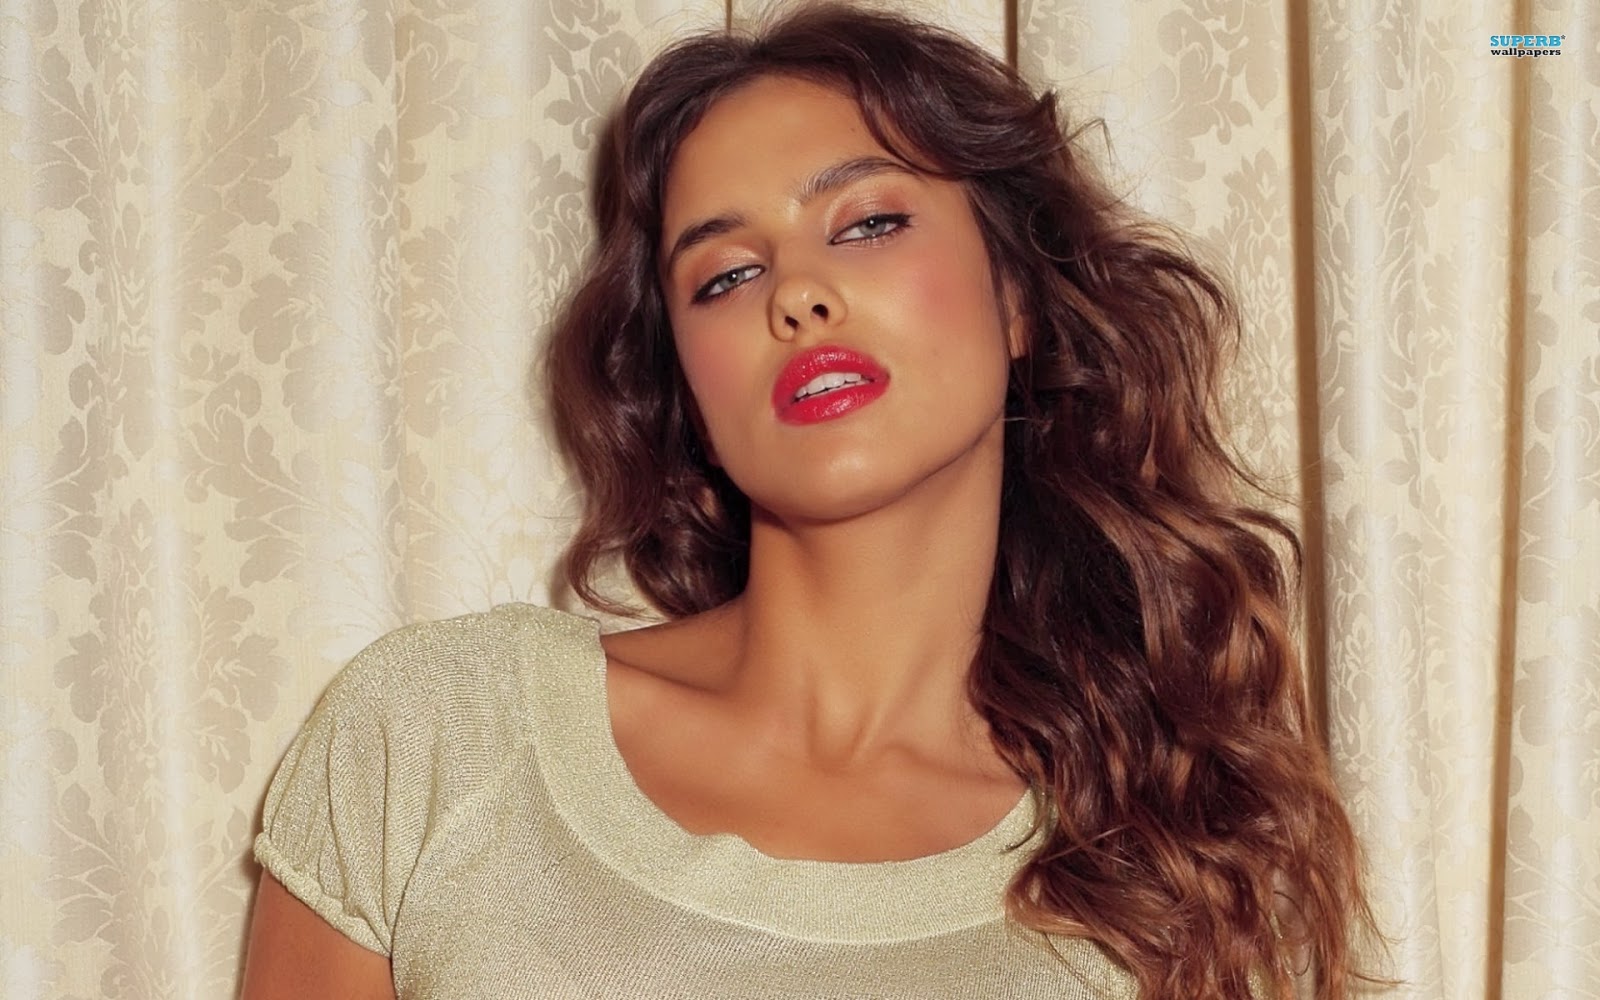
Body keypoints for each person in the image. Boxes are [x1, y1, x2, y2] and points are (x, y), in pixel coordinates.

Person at [239, 4, 1378, 999]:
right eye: (725, 275)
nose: (797, 293)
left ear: (1018, 297)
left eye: (868, 223)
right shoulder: (443, 734)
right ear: (688, 388)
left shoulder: (1178, 866)